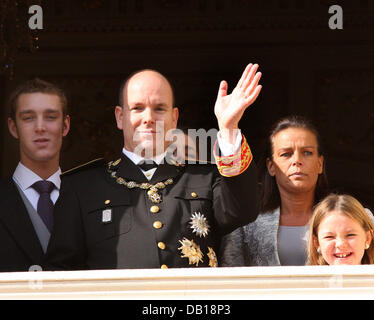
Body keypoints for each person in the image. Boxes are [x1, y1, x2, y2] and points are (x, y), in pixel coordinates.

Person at [45, 64, 262, 270]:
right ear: (120, 117)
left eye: (159, 108)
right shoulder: (81, 187)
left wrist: (228, 128)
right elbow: (60, 272)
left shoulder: (205, 177)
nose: (148, 118)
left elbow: (241, 211)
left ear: (174, 118)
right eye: (137, 108)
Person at [220, 115, 329, 266]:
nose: (297, 160)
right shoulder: (245, 224)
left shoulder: (349, 218)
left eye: (307, 152)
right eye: (286, 154)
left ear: (320, 164)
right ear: (271, 166)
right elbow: (229, 278)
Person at [0, 78, 70, 272]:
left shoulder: (89, 197)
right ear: (13, 127)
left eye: (50, 117)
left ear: (65, 126)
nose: (40, 127)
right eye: (28, 117)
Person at [308, 193, 374, 265]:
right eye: (329, 237)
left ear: (367, 238)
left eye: (350, 235)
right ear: (317, 243)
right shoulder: (303, 276)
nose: (340, 244)